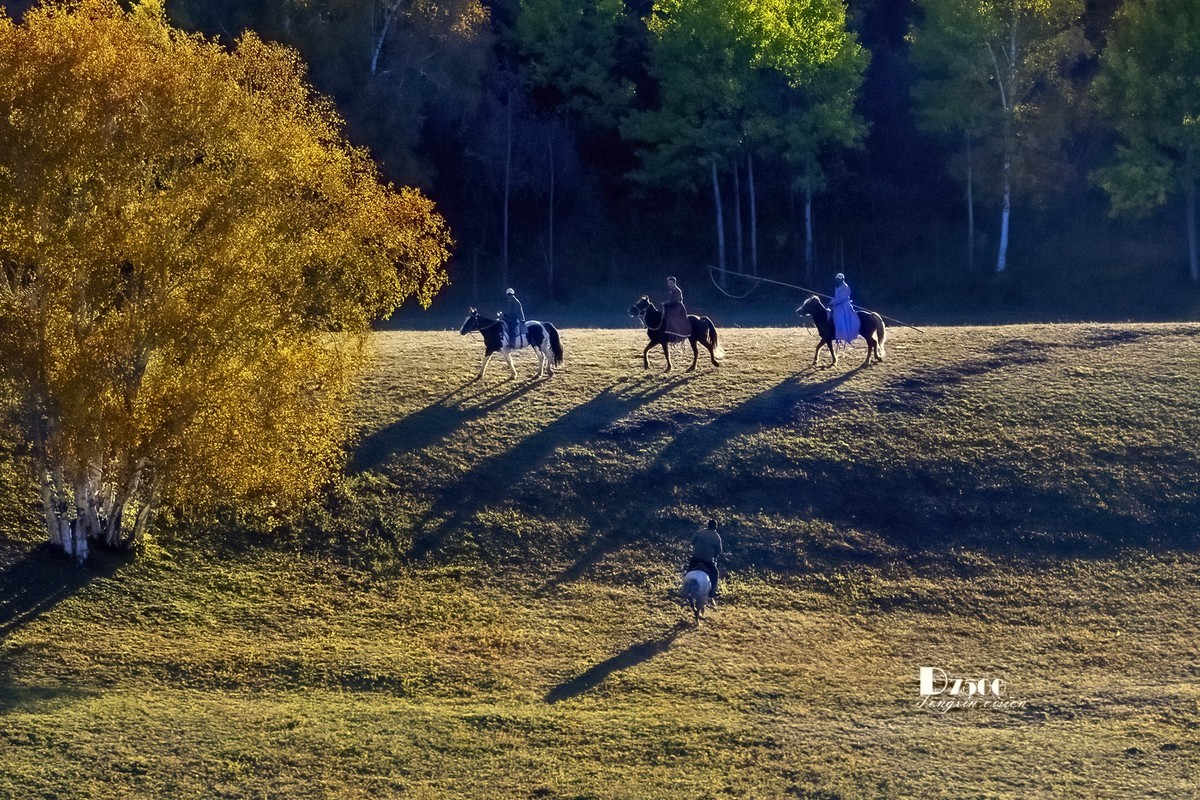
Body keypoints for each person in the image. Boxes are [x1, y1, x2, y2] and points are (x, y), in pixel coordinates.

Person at [687, 518, 723, 600]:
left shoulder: (700, 532)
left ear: (707, 525)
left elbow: (693, 542)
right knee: (715, 573)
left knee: (689, 570)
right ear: (715, 527)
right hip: (708, 561)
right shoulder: (716, 536)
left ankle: (684, 587)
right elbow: (719, 551)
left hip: (696, 558)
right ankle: (712, 592)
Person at [830, 273, 861, 343]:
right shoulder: (837, 287)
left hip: (844, 306)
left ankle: (844, 335)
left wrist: (832, 302)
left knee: (839, 317)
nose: (838, 281)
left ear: (842, 280)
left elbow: (841, 298)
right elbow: (837, 297)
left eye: (839, 280)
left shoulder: (845, 287)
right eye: (837, 279)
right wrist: (833, 301)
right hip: (837, 305)